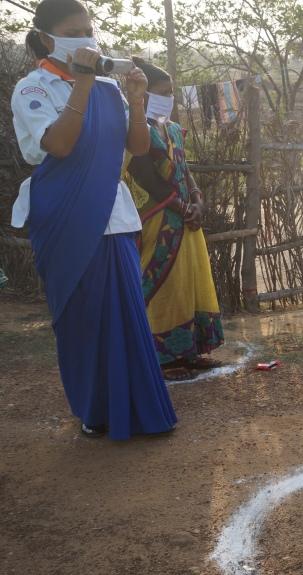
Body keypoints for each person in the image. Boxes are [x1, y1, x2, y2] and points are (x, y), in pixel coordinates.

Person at [10, 0, 177, 439]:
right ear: (48, 39)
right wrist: (82, 85)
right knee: (81, 317)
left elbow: (138, 147)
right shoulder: (33, 89)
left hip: (112, 213)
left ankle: (140, 408)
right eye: (74, 30)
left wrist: (137, 101)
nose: (87, 37)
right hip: (63, 214)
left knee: (125, 314)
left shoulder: (109, 88)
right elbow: (60, 146)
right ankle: (95, 410)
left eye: (90, 28)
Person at [123, 57, 224, 382]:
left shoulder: (173, 130)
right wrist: (181, 208)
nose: (171, 98)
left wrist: (198, 201)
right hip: (160, 220)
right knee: (163, 285)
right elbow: (144, 176)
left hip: (186, 219)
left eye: (172, 92)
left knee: (189, 284)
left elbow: (186, 170)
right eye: (164, 92)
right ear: (145, 94)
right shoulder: (138, 133)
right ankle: (162, 358)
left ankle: (190, 351)